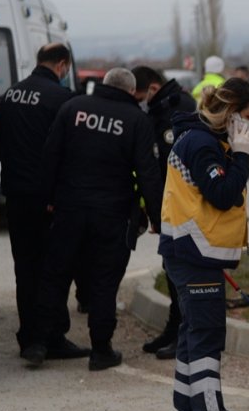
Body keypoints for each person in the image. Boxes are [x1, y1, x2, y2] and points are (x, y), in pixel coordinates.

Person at [26, 68, 165, 371]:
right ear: (131, 92)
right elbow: (148, 175)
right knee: (104, 281)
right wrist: (157, 218)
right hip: (112, 215)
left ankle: (38, 343)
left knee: (54, 276)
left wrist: (47, 200)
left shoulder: (73, 108)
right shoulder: (137, 121)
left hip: (69, 209)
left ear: (103, 85)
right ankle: (101, 350)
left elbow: (50, 155)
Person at [159, 78, 249, 411]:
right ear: (230, 112)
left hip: (189, 252)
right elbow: (222, 195)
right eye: (248, 117)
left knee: (192, 335)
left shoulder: (199, 138)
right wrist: (240, 154)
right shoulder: (202, 144)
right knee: (205, 339)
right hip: (193, 254)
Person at [0, 43, 88, 362]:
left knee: (26, 267)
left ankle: (29, 337)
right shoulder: (64, 100)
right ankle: (51, 338)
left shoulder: (11, 94)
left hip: (16, 198)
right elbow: (74, 154)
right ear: (62, 65)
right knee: (54, 268)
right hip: (51, 201)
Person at [131, 66, 197, 360]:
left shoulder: (176, 109)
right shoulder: (160, 110)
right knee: (171, 270)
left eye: (141, 95)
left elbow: (172, 166)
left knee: (180, 273)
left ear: (153, 88)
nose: (139, 101)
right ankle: (174, 329)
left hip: (181, 206)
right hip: (168, 205)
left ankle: (183, 333)